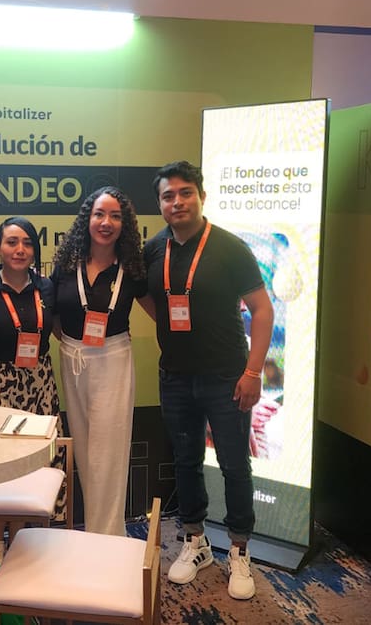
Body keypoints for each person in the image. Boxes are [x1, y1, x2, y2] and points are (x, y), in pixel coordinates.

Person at [141, 161, 273, 600]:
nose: (177, 202)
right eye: (168, 196)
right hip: (176, 376)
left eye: (185, 193)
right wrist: (173, 327)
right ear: (160, 203)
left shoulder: (230, 247)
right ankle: (195, 541)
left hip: (227, 377)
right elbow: (148, 298)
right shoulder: (153, 249)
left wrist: (253, 372)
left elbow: (263, 309)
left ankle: (239, 549)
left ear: (201, 196)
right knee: (185, 461)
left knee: (235, 465)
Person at [52, 186, 147, 536]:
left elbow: (159, 312)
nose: (106, 222)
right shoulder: (67, 265)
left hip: (112, 359)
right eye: (99, 214)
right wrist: (73, 343)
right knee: (86, 452)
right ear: (87, 220)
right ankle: (96, 533)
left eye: (115, 216)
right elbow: (53, 315)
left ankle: (107, 539)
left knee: (108, 456)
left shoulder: (132, 269)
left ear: (125, 224)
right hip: (73, 357)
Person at [0, 216, 66, 519]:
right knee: (1, 461)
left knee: (43, 459)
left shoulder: (47, 287)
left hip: (40, 383)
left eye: (27, 243)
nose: (20, 249)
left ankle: (39, 529)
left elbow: (60, 329)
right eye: (12, 242)